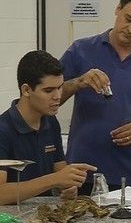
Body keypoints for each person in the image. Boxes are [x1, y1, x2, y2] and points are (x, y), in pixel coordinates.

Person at [59, 0, 131, 194]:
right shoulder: (80, 50)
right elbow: (48, 99)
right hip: (80, 173)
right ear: (118, 8)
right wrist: (78, 82)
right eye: (128, 18)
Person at [0, 51, 97, 205]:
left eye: (59, 87)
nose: (58, 96)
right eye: (48, 90)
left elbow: (60, 171)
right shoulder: (3, 130)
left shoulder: (50, 122)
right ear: (26, 90)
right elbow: (0, 194)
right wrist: (53, 180)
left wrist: (68, 186)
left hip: (43, 213)